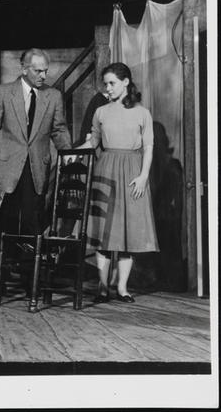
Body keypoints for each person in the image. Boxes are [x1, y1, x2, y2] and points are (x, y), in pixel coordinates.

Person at [81, 62, 158, 304]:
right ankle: (103, 287)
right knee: (103, 234)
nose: (108, 88)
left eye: (112, 83)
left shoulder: (142, 113)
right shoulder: (101, 112)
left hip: (133, 173)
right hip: (106, 170)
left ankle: (122, 288)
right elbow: (93, 141)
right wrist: (71, 153)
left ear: (126, 82)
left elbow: (148, 147)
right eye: (106, 84)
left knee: (128, 234)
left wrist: (143, 176)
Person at [0, 48, 72, 238]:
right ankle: (2, 258)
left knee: (32, 223)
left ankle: (29, 258)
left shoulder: (53, 96)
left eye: (45, 71)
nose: (43, 76)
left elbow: (59, 130)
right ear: (24, 69)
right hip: (7, 168)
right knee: (5, 223)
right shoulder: (3, 92)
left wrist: (68, 154)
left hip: (37, 168)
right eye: (38, 71)